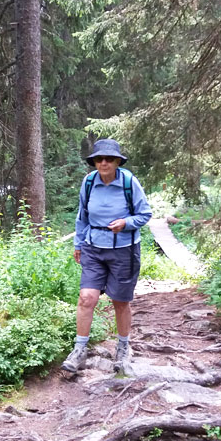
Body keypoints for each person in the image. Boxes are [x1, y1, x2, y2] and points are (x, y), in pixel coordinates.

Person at [61, 139, 152, 373]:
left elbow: (145, 214)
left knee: (120, 301)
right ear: (94, 162)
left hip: (124, 250)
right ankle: (79, 350)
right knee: (86, 298)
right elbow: (82, 215)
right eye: (99, 159)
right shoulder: (89, 182)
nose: (103, 162)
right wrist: (78, 243)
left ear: (117, 161)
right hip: (93, 247)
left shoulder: (129, 182)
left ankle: (123, 348)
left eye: (109, 159)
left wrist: (126, 222)